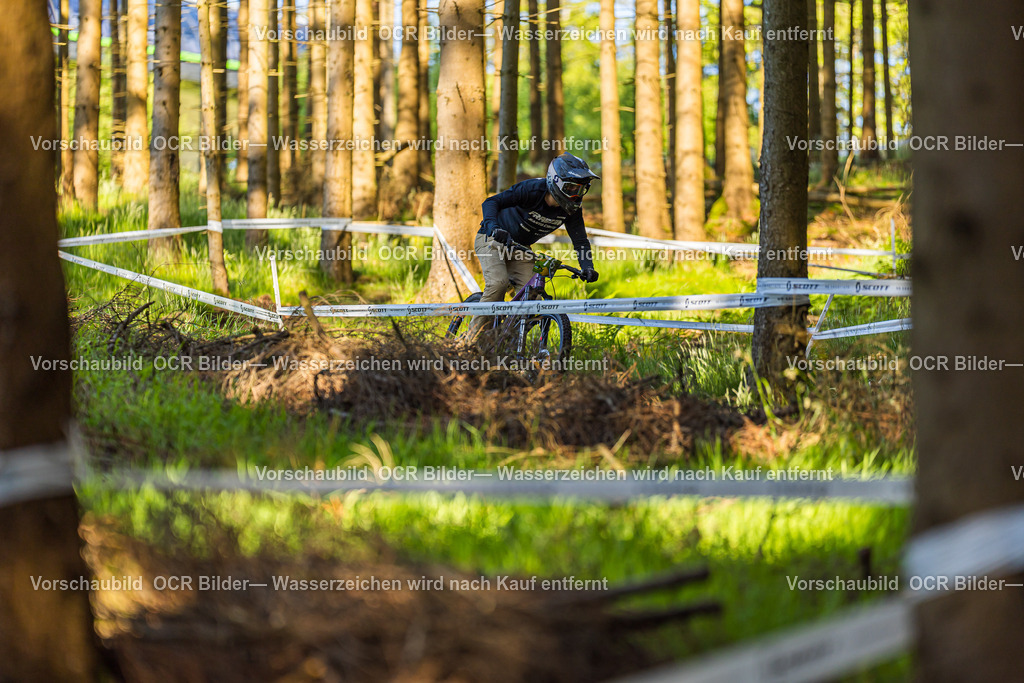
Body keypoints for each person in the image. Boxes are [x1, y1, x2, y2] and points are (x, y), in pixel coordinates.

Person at [466, 153, 601, 341]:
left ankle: (501, 344)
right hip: (492, 239)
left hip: (520, 248)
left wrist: (587, 267)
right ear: (556, 182)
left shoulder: (572, 209)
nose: (575, 195)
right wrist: (493, 227)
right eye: (570, 188)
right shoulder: (532, 190)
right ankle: (467, 343)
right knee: (498, 284)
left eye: (580, 190)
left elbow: (580, 240)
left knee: (535, 304)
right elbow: (491, 201)